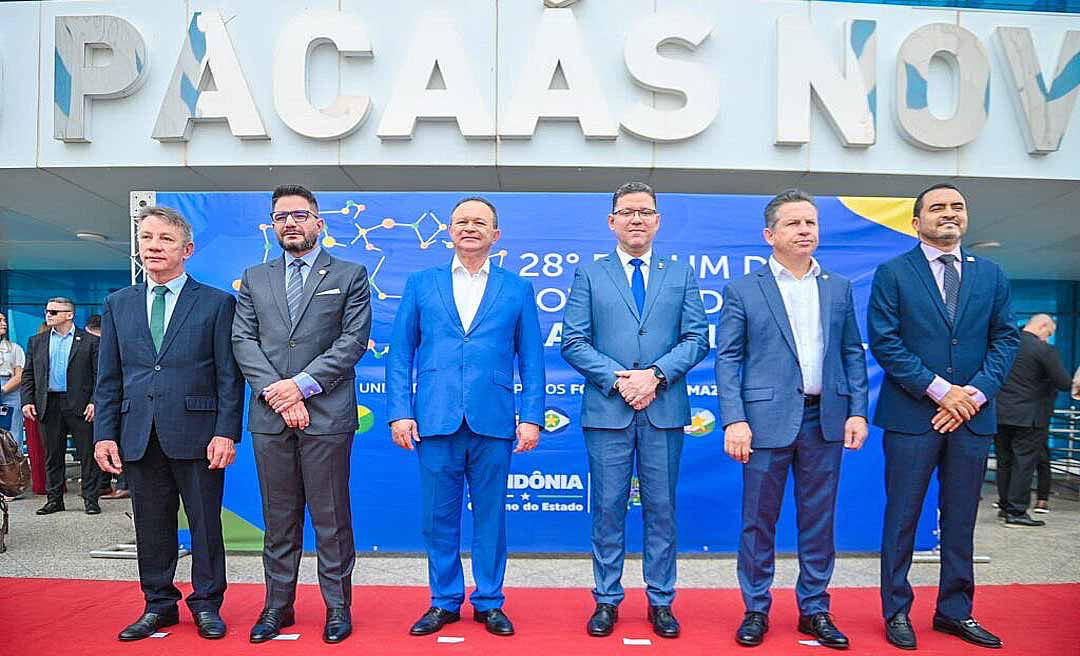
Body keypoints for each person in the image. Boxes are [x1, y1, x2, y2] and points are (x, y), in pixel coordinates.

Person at [714, 190, 869, 649]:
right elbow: (728, 359)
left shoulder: (837, 287)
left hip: (826, 420)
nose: (805, 231)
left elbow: (851, 353)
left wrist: (857, 410)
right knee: (758, 521)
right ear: (770, 234)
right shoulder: (744, 289)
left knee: (818, 521)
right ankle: (756, 609)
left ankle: (815, 610)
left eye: (811, 223)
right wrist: (733, 420)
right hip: (763, 423)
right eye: (795, 223)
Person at [869, 183, 1019, 650]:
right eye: (937, 208)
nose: (949, 214)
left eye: (957, 207)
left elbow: (1006, 340)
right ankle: (896, 611)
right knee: (902, 520)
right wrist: (941, 392)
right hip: (913, 417)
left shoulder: (991, 274)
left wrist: (970, 395)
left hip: (971, 418)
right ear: (917, 223)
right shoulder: (893, 273)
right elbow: (886, 342)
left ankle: (955, 612)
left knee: (960, 520)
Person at [386, 197, 545, 638]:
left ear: (496, 234)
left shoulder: (517, 288)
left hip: (494, 419)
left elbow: (531, 358)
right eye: (462, 221)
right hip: (434, 418)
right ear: (449, 231)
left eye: (480, 222)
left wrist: (531, 416)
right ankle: (444, 601)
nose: (470, 228)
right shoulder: (421, 283)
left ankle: (490, 601)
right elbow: (401, 353)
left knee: (491, 516)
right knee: (438, 517)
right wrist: (400, 411)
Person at [561, 182, 709, 639]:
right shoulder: (591, 273)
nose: (637, 219)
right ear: (612, 221)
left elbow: (697, 338)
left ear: (658, 220)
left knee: (661, 508)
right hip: (609, 410)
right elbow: (573, 340)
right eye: (627, 212)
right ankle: (607, 599)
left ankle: (661, 600)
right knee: (607, 508)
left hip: (664, 408)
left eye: (645, 211)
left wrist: (656, 376)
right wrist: (620, 379)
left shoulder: (679, 273)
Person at [93, 206, 244, 641]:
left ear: (187, 249)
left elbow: (228, 376)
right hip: (137, 433)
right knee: (152, 526)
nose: (154, 246)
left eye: (165, 239)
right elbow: (110, 378)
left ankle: (207, 604)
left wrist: (226, 431)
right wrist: (105, 434)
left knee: (205, 525)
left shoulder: (217, 302)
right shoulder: (118, 304)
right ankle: (158, 604)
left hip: (198, 435)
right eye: (147, 238)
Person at [232, 184, 371, 644]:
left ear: (319, 222)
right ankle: (277, 606)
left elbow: (351, 342)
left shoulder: (350, 274)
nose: (288, 223)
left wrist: (300, 388)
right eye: (280, 217)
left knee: (331, 518)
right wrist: (279, 394)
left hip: (327, 416)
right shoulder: (254, 277)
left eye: (298, 214)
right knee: (279, 517)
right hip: (271, 418)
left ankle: (337, 607)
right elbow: (243, 341)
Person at [20, 297, 102, 515]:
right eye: (47, 311)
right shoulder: (36, 341)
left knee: (87, 454)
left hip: (81, 404)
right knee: (52, 455)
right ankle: (54, 499)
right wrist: (27, 401)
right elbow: (28, 374)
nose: (48, 314)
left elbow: (99, 376)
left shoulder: (90, 342)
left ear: (69, 314)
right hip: (48, 403)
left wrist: (95, 401)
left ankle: (91, 499)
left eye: (54, 312)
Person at [994, 314, 1072, 526]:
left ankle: (1004, 507)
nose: (1048, 337)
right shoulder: (1043, 349)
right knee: (1024, 463)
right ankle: (1017, 512)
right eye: (1049, 333)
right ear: (1043, 325)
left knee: (1005, 462)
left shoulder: (1004, 344)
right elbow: (1064, 382)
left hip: (1000, 414)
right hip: (1029, 417)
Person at [0, 313, 27, 465]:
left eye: (4, 320)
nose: (4, 323)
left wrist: (3, 390)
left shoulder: (14, 348)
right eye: (0, 320)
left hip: (10, 389)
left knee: (12, 433)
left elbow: (20, 375)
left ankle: (13, 474)